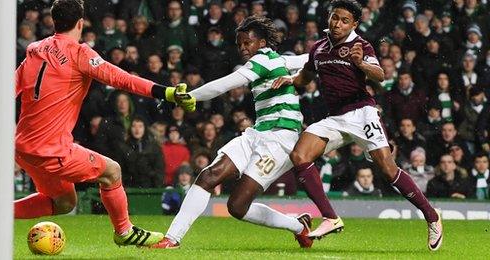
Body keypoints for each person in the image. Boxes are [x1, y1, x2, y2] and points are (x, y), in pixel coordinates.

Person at [0, 0, 193, 249]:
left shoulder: (36, 51)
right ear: (80, 23)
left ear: (54, 21)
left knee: (64, 202)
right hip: (52, 151)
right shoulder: (79, 53)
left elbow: (7, 88)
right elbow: (121, 79)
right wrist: (166, 92)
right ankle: (124, 232)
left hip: (24, 148)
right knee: (112, 171)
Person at [271, 0, 442, 250]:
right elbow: (305, 77)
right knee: (299, 155)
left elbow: (380, 75)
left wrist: (361, 63)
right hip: (335, 117)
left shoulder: (361, 45)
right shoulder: (318, 48)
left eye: (344, 20)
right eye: (334, 17)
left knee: (387, 169)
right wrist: (289, 79)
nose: (337, 23)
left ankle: (432, 216)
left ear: (355, 24)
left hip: (362, 113)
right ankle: (330, 217)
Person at [151, 15, 312, 249]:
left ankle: (298, 226)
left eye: (248, 42)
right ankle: (172, 239)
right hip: (257, 133)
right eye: (240, 44)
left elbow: (224, 84)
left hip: (281, 139)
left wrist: (187, 96)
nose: (243, 48)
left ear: (263, 43)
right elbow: (310, 59)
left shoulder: (264, 60)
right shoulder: (280, 61)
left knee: (237, 207)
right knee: (208, 176)